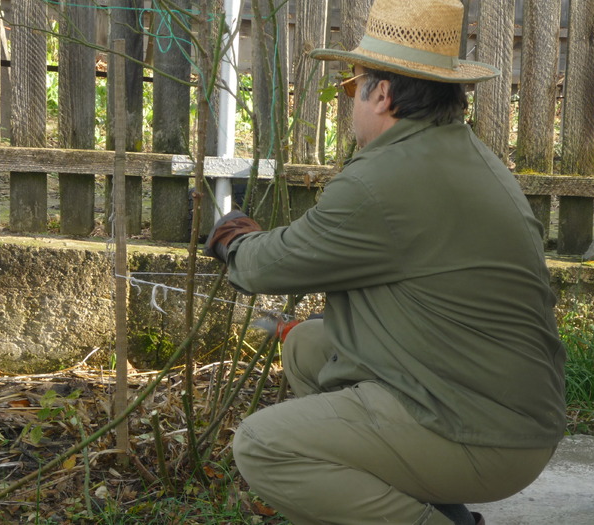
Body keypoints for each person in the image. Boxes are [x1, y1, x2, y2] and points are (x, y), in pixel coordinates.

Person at [203, 0, 566, 523]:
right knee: (309, 345)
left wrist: (233, 242)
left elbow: (267, 267)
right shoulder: (454, 153)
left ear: (384, 95)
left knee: (265, 445)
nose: (347, 99)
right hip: (499, 402)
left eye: (352, 86)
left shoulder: (385, 181)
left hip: (486, 433)